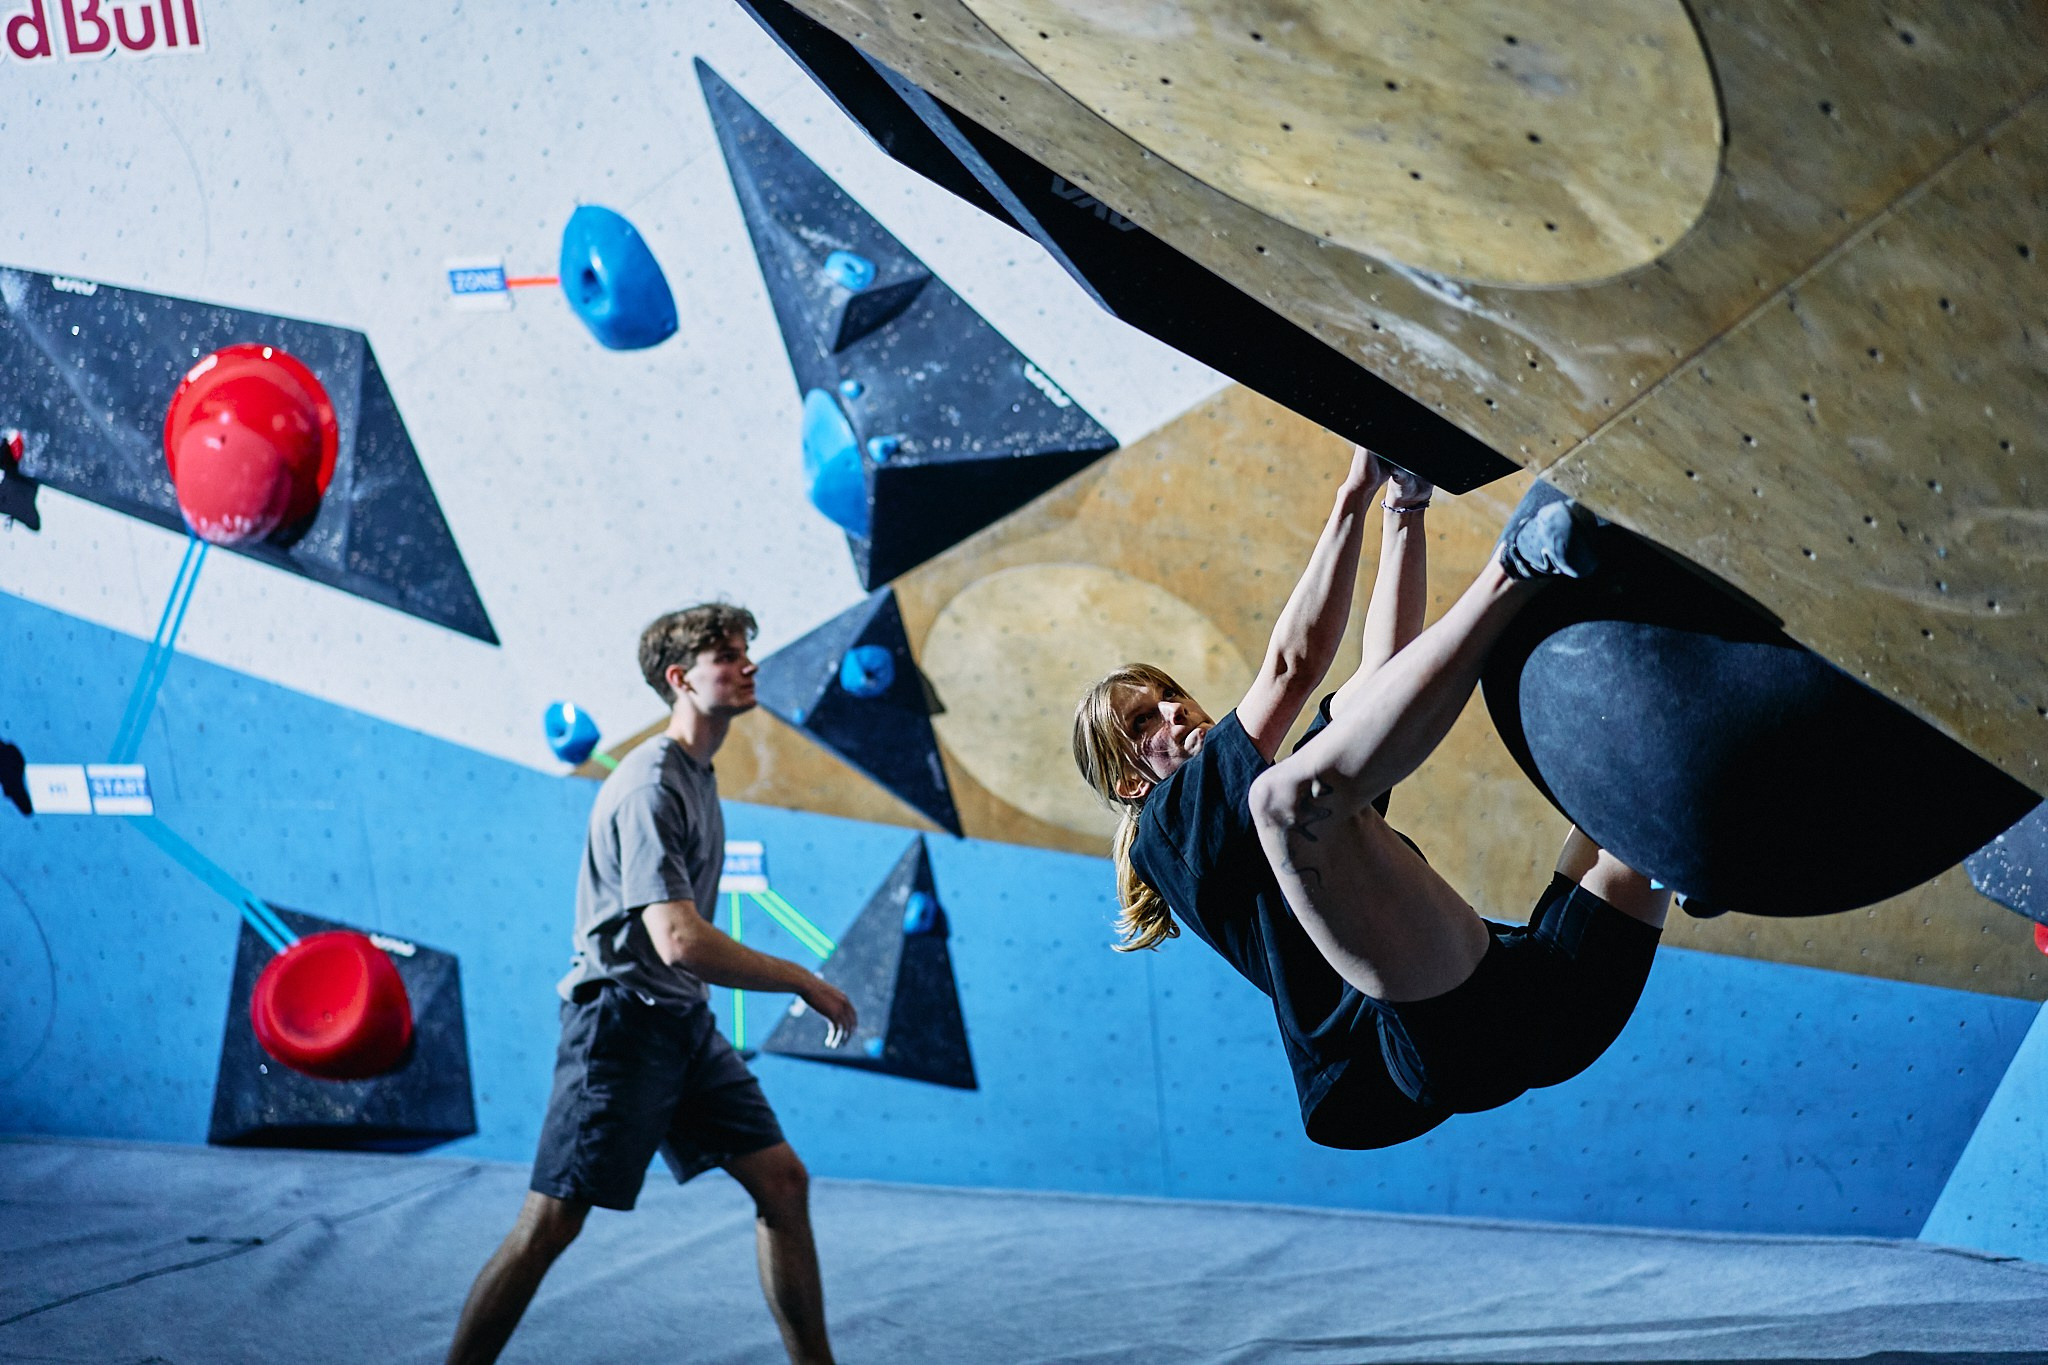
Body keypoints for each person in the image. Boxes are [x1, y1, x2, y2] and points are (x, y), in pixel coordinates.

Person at [1072, 448, 1670, 1150]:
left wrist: (1404, 504)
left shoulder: (1319, 812)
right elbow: (1292, 667)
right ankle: (1515, 570)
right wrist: (1354, 492)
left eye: (1170, 695)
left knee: (1648, 772)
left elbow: (1385, 672)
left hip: (1549, 998)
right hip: (1438, 1039)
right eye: (1144, 721)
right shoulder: (1169, 833)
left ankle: (1709, 837)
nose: (1174, 711)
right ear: (1130, 782)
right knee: (1283, 802)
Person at [448, 604, 858, 1365]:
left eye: (746, 651)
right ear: (680, 678)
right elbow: (680, 940)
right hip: (620, 1028)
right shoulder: (650, 785)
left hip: (681, 1024)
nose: (747, 665)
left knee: (782, 1182)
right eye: (726, 655)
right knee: (550, 1224)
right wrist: (801, 979)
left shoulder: (696, 774)